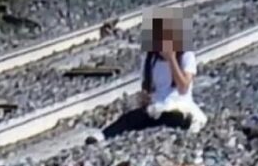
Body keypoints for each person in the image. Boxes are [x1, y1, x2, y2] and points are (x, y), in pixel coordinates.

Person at [87, 10, 203, 143]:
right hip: (156, 107)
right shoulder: (150, 59)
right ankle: (102, 136)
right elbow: (147, 89)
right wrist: (144, 98)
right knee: (131, 118)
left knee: (174, 117)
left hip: (179, 107)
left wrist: (171, 59)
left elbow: (183, 88)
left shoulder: (185, 56)